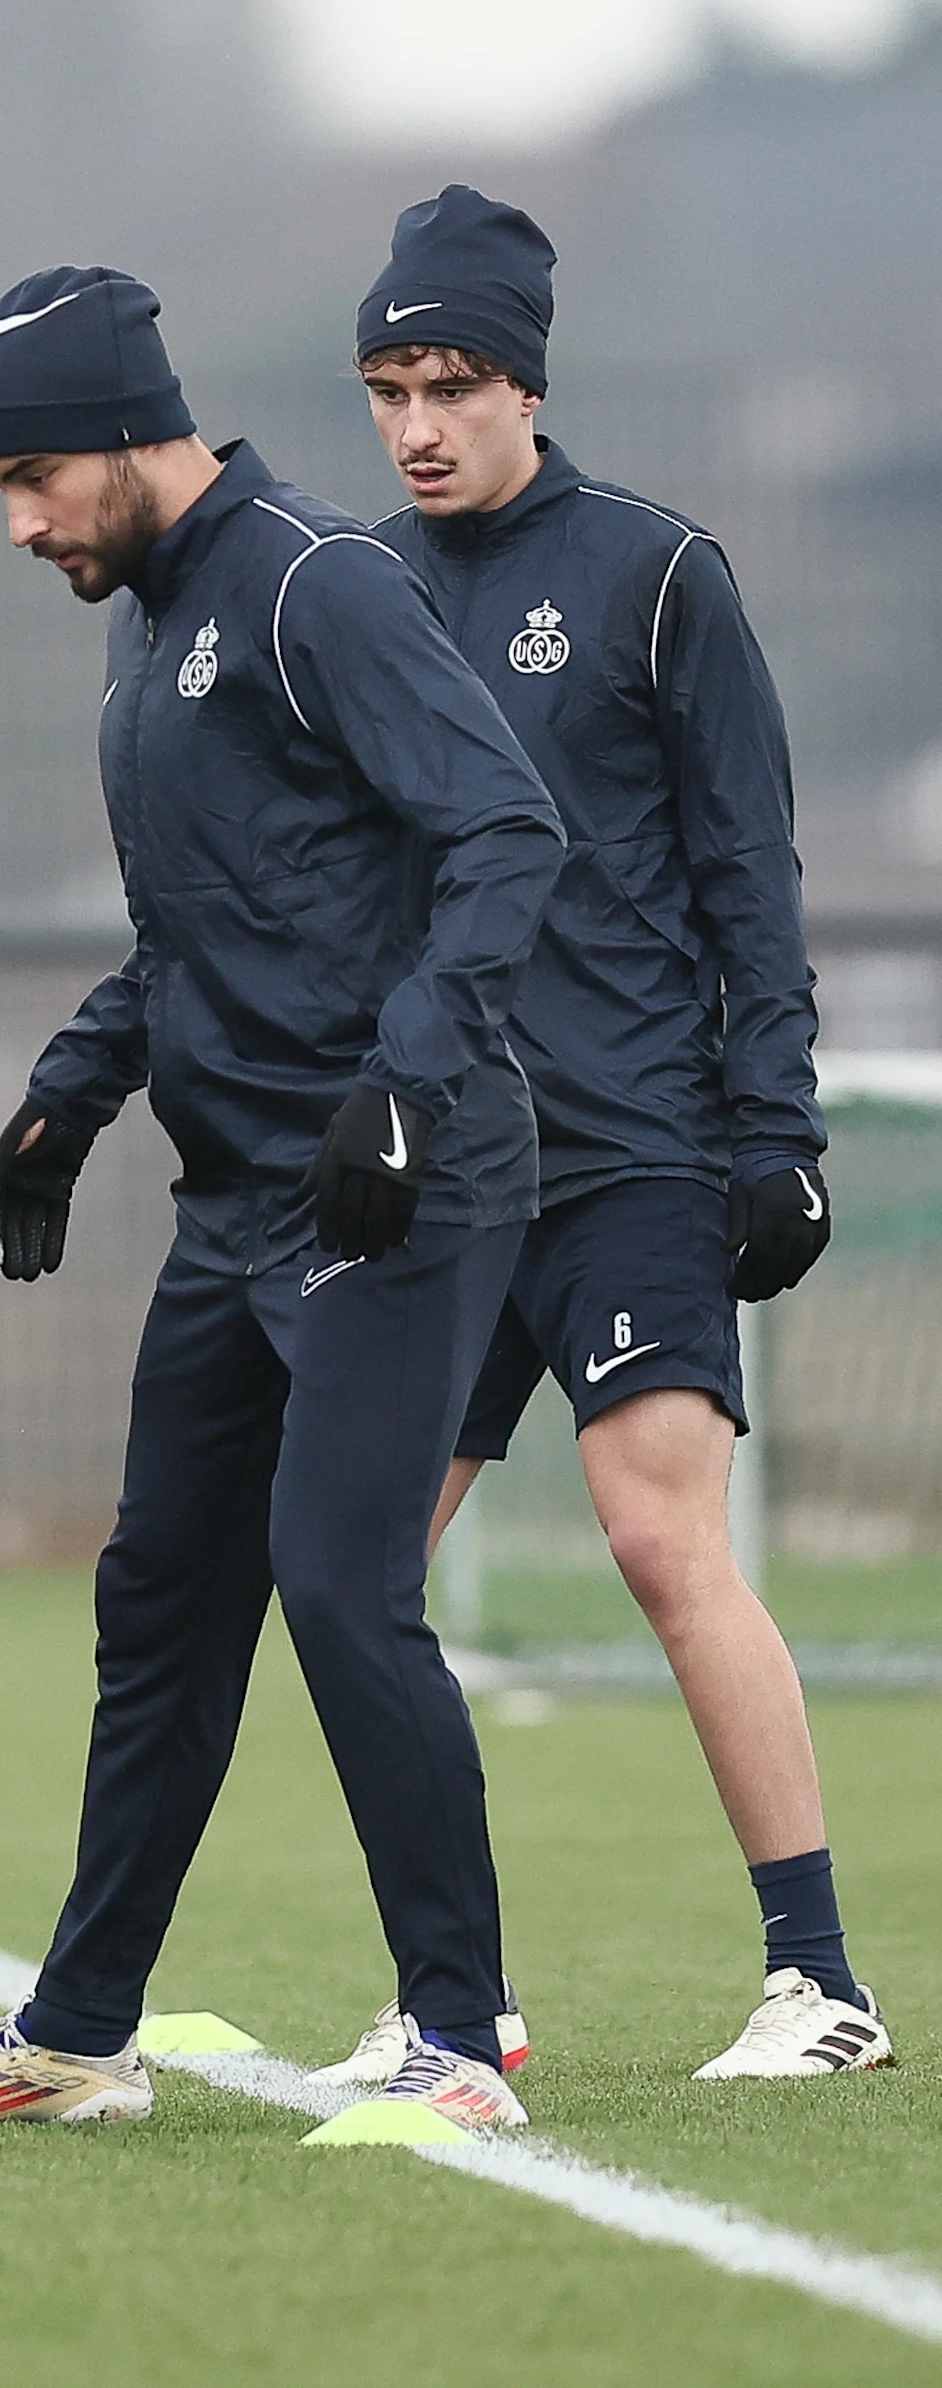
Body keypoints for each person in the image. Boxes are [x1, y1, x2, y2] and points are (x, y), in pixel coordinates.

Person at [0, 267, 566, 2137]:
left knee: (341, 1589)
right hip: (236, 1200)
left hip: (396, 1189)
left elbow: (507, 830)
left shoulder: (316, 584)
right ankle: (78, 2035)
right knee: (161, 1604)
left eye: (30, 480)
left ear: (121, 434)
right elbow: (201, 926)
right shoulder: (143, 618)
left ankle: (462, 2039)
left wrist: (404, 1083)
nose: (18, 527)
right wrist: (66, 1098)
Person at [317, 187, 881, 2085]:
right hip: (446, 1173)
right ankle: (448, 2000)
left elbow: (749, 872)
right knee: (355, 1567)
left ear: (527, 387)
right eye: (389, 385)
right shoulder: (356, 591)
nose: (418, 421)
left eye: (453, 380)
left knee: (658, 1544)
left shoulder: (658, 575)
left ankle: (820, 1984)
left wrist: (776, 1126)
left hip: (636, 1155)